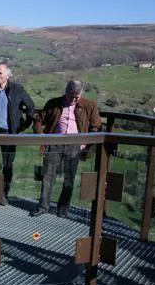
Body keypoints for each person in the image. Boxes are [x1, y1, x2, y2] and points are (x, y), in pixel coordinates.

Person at [31, 80, 102, 218]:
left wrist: (85, 144)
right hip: (54, 144)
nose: (74, 100)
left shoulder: (89, 105)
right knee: (47, 176)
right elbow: (38, 119)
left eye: (77, 97)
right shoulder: (54, 103)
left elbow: (96, 126)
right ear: (66, 91)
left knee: (69, 179)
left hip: (75, 145)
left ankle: (63, 210)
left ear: (81, 94)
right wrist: (41, 136)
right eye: (71, 96)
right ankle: (43, 207)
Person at [0, 62, 35, 204]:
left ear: (8, 76)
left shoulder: (18, 89)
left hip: (10, 134)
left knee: (7, 165)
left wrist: (22, 127)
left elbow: (31, 107)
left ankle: (3, 194)